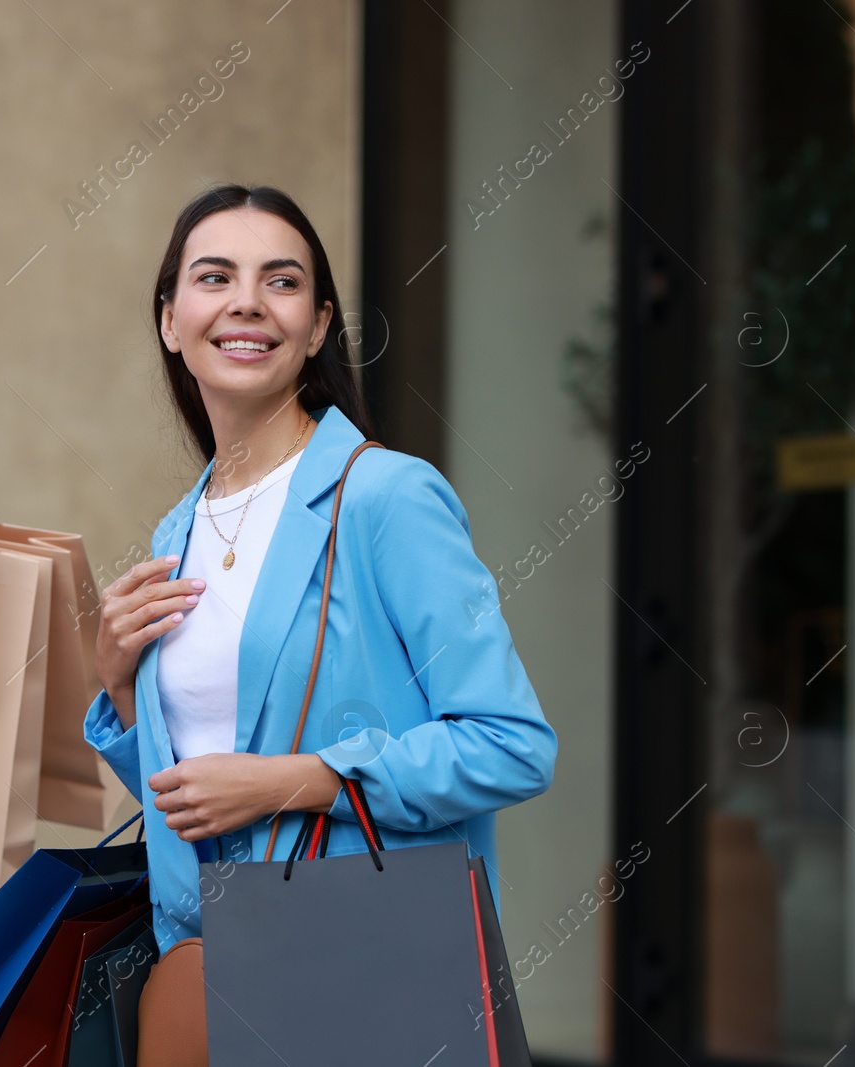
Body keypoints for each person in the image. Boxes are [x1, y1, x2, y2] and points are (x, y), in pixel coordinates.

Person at [83, 184, 558, 1060]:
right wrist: (118, 687)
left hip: (352, 959)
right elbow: (193, 778)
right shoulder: (176, 533)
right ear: (170, 319)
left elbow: (512, 741)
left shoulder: (383, 496)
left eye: (282, 281)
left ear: (317, 324)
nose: (247, 302)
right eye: (215, 275)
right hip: (196, 968)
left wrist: (299, 780)